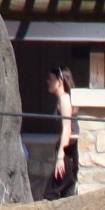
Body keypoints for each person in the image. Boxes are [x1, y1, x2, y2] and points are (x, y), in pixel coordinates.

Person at [44, 66, 79, 200]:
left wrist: (60, 157)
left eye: (51, 79)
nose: (48, 81)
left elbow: (67, 129)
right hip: (68, 149)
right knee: (67, 194)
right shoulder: (63, 99)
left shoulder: (64, 99)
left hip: (68, 150)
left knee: (50, 193)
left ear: (60, 81)